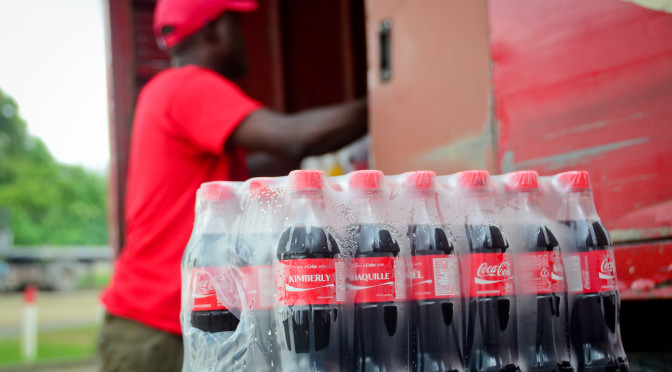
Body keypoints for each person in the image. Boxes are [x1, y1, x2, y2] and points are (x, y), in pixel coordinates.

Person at [97, 0, 367, 371]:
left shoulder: (163, 92)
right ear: (212, 30)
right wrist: (386, 101)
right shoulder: (189, 86)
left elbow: (255, 170)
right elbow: (293, 138)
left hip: (154, 323)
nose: (243, 40)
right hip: (156, 330)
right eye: (236, 26)